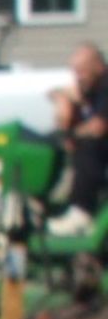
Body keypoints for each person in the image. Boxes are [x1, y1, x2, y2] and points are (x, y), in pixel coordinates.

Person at [48, 43, 108, 234]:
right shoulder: (91, 89)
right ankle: (42, 205)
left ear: (98, 66)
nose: (78, 78)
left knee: (88, 144)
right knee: (49, 142)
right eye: (75, 72)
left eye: (82, 72)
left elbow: (98, 127)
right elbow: (67, 117)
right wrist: (63, 103)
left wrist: (70, 135)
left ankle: (82, 211)